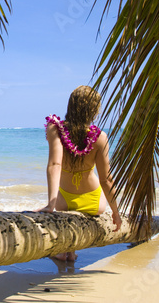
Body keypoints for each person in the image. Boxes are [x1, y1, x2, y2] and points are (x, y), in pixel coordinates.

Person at [36, 85, 122, 262]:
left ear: (71, 105)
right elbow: (106, 179)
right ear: (94, 111)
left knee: (64, 204)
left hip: (64, 201)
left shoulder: (55, 129)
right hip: (94, 203)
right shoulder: (100, 137)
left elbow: (55, 164)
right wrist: (116, 213)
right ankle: (72, 252)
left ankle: (64, 252)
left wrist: (51, 204)